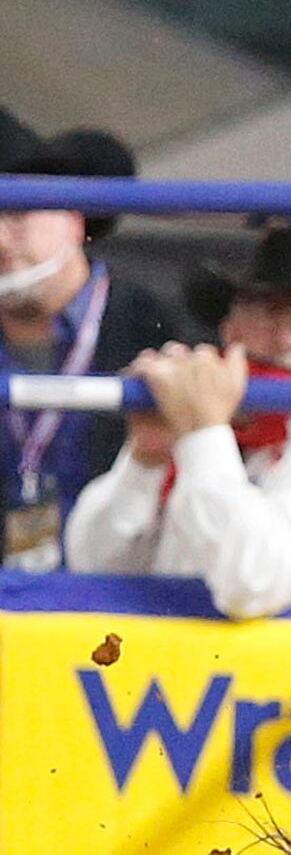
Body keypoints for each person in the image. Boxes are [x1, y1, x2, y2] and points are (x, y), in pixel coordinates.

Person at [66, 228, 291, 617]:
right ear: (229, 331)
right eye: (266, 310)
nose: (285, 336)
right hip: (171, 674)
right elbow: (93, 569)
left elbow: (253, 584)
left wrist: (202, 433)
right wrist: (147, 458)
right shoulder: (208, 431)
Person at [0, 107, 186, 571]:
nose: (1, 240)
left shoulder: (159, 329)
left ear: (75, 216)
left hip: (121, 595)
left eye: (18, 213)